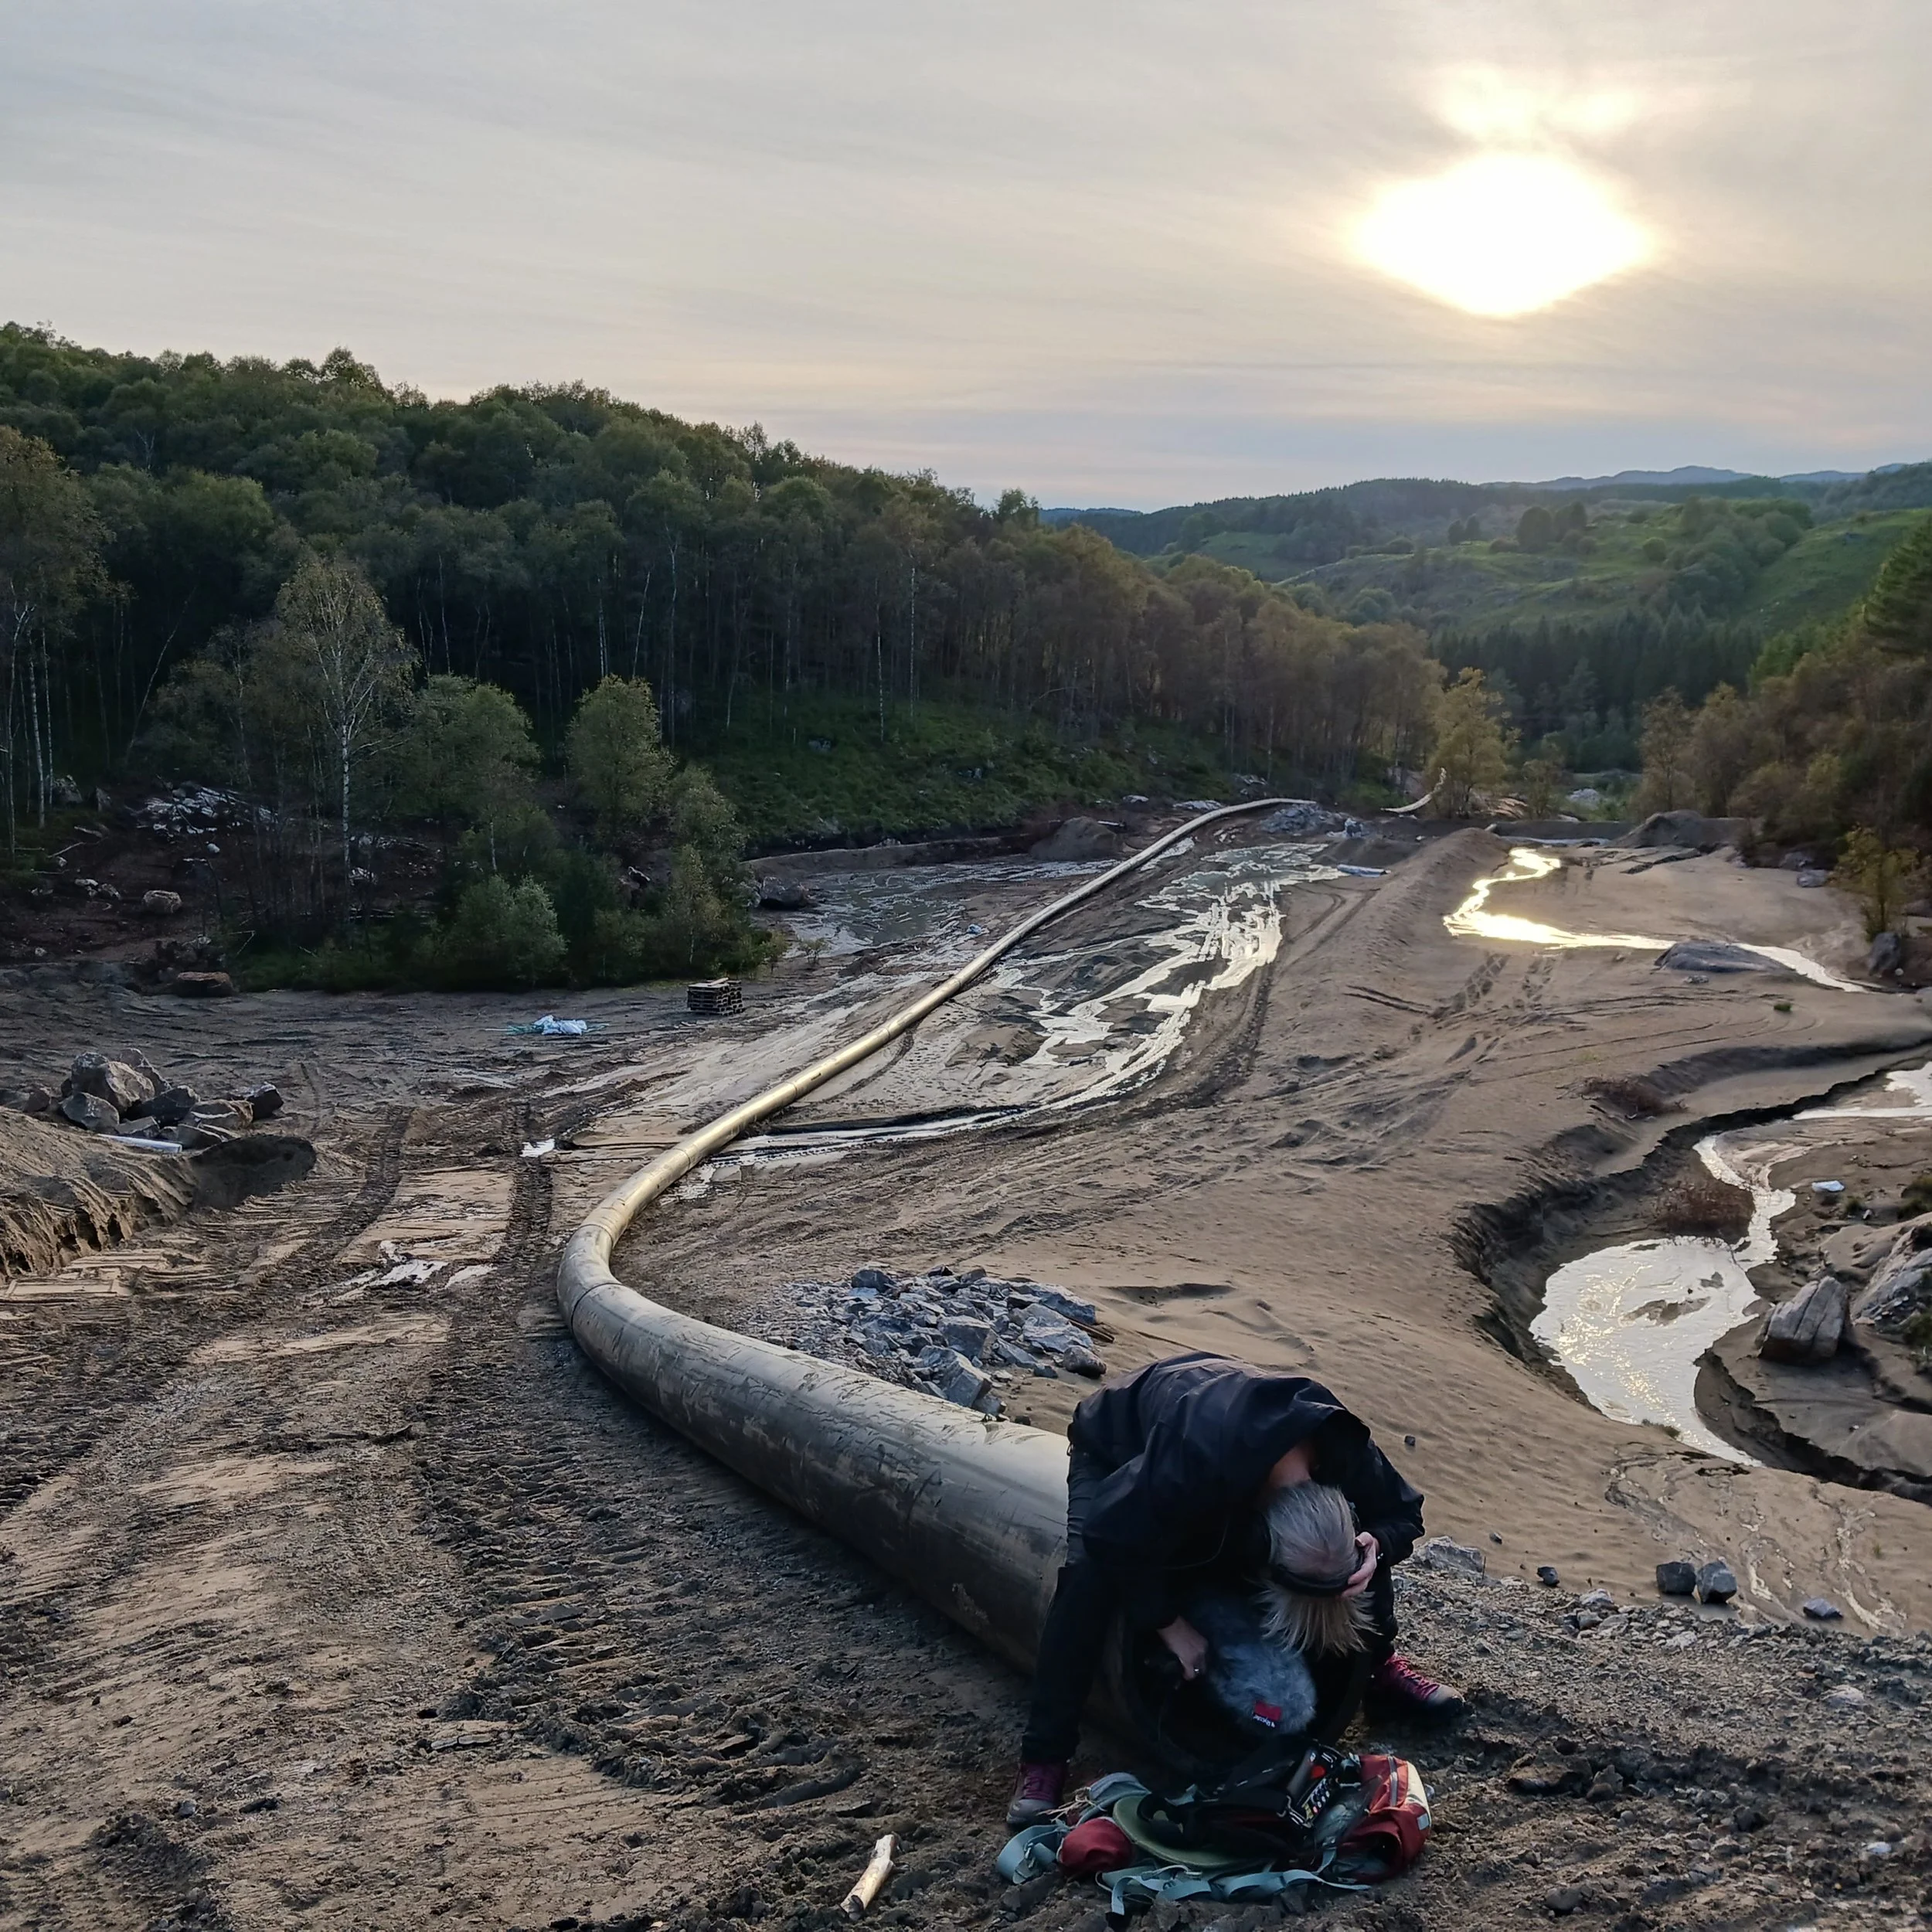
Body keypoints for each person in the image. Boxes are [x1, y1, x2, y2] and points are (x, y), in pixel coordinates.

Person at [1007, 1351, 1464, 1827]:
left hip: (1230, 1409)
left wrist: (1377, 1544)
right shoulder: (1192, 1463)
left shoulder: (1343, 1448)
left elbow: (1405, 1513)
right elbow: (1109, 1535)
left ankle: (1380, 1670)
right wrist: (1168, 1623)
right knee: (1088, 1579)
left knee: (1354, 1560)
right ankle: (1044, 1758)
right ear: (1261, 1533)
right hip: (1118, 1439)